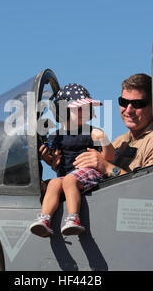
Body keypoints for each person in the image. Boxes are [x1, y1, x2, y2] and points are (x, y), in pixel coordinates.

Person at [31, 83, 115, 238]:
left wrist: (104, 139)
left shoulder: (92, 132)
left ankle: (74, 218)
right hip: (67, 177)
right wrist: (46, 157)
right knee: (54, 183)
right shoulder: (55, 136)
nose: (85, 112)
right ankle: (45, 219)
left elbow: (109, 157)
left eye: (87, 108)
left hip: (90, 174)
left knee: (69, 180)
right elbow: (53, 160)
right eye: (79, 109)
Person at [73, 73, 153, 177]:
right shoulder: (120, 141)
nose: (128, 110)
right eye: (124, 102)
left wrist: (106, 167)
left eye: (137, 104)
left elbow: (151, 185)